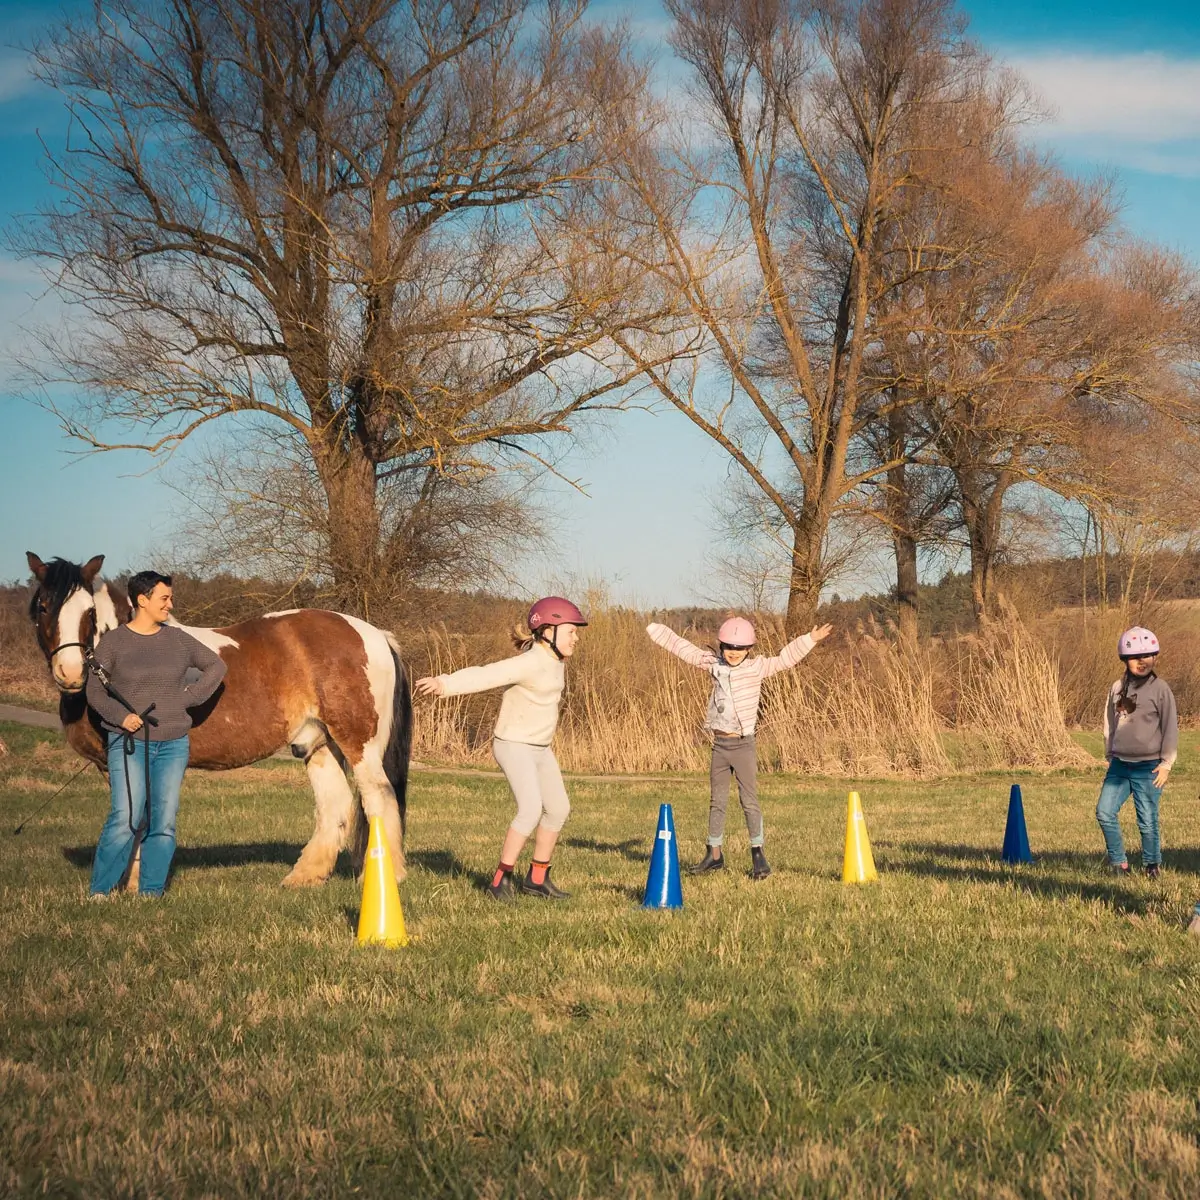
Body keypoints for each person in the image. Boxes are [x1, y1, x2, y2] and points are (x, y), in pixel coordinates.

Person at [415, 597, 586, 902]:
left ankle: (536, 878)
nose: (577, 637)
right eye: (571, 631)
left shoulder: (556, 662)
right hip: (513, 744)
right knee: (531, 809)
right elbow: (485, 674)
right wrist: (444, 684)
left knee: (558, 808)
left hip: (540, 748)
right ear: (548, 630)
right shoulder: (529, 662)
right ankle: (499, 881)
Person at [645, 615, 833, 879]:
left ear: (749, 649)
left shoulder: (757, 668)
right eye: (729, 647)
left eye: (740, 648)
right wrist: (658, 631)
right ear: (721, 646)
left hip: (743, 745)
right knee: (717, 801)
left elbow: (784, 659)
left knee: (749, 801)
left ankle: (758, 854)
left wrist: (809, 640)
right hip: (719, 745)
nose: (734, 653)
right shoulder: (714, 665)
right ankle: (714, 854)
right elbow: (684, 649)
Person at [85, 571, 227, 898]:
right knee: (127, 817)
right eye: (164, 598)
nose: (170, 604)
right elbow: (95, 691)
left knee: (163, 823)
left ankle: (152, 891)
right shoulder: (114, 642)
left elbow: (217, 667)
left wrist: (187, 698)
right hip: (128, 743)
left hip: (174, 744)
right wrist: (121, 717)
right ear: (142, 600)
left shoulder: (177, 639)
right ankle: (100, 891)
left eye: (170, 597)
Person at [1096, 626, 1177, 880]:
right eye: (1134, 657)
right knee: (1104, 812)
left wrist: (1166, 763)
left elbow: (1170, 727)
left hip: (1149, 767)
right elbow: (1110, 722)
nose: (1141, 662)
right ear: (1125, 659)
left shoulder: (1160, 689)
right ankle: (1119, 862)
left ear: (1155, 657)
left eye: (1147, 656)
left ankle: (1152, 865)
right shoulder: (1118, 687)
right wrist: (1110, 755)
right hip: (1120, 765)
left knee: (1147, 819)